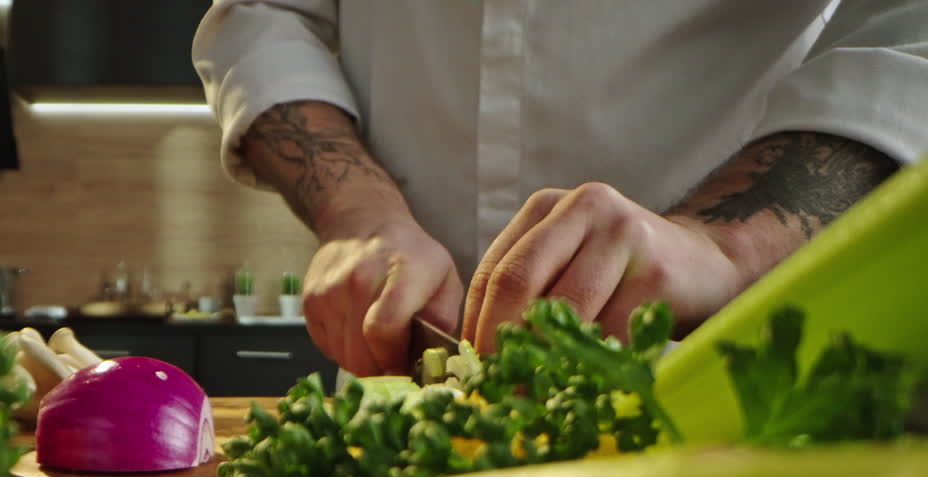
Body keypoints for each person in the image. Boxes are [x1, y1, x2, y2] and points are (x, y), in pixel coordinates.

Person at [192, 1, 928, 377]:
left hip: (718, 368)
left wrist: (725, 240)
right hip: (401, 376)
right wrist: (359, 214)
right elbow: (264, 14)